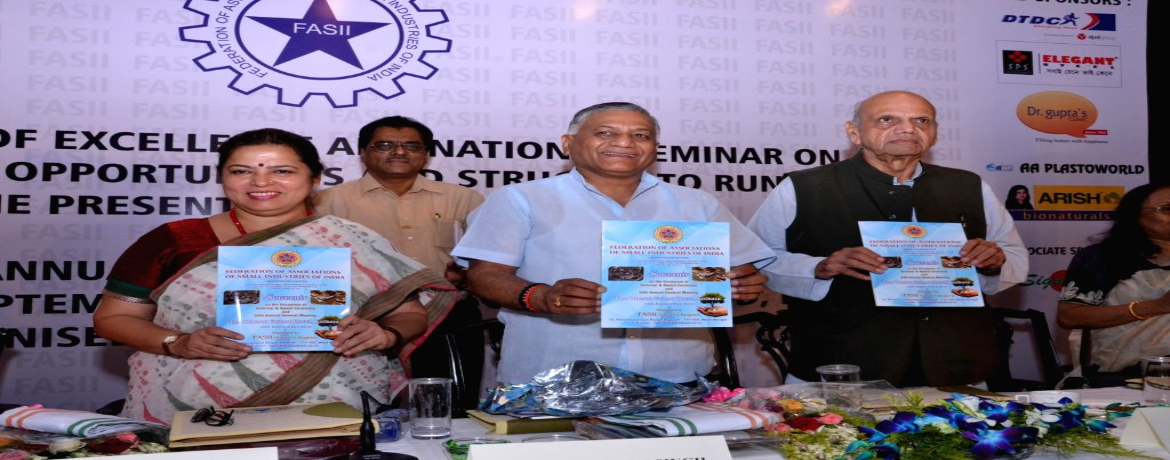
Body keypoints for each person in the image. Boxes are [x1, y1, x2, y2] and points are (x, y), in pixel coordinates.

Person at [93, 128, 456, 424]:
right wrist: (178, 342)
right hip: (196, 408)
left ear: (315, 178)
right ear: (222, 177)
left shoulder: (352, 239)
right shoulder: (175, 239)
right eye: (241, 171)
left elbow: (409, 314)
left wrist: (386, 333)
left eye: (282, 171)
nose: (261, 181)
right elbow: (113, 319)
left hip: (336, 406)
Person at [451, 102, 777, 385]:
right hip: (555, 373)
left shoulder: (697, 204)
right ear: (568, 143)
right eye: (606, 133)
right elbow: (483, 276)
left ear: (655, 147)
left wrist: (743, 285)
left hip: (678, 374)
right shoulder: (521, 199)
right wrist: (541, 296)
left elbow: (741, 273)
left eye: (641, 135)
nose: (624, 143)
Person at [747, 91, 1027, 387]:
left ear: (934, 133)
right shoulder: (804, 186)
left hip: (956, 362)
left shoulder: (968, 185)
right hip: (842, 364)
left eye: (921, 121)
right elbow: (757, 260)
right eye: (887, 120)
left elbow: (1014, 255)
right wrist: (818, 267)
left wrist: (994, 261)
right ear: (854, 132)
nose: (907, 129)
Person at [313, 116, 484, 378]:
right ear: (363, 152)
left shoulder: (464, 198)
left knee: (452, 396)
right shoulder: (326, 201)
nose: (400, 152)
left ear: (426, 155)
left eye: (412, 146)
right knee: (370, 396)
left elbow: (487, 261)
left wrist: (467, 275)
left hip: (448, 313)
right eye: (385, 145)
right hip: (364, 320)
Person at [1057, 183, 1170, 377]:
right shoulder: (1104, 257)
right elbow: (1069, 316)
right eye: (1167, 208)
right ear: (1135, 215)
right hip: (1126, 373)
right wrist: (1157, 306)